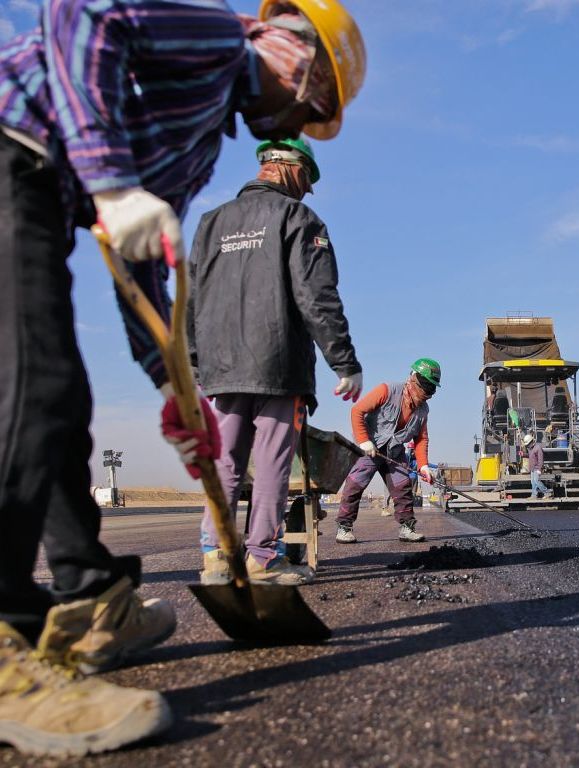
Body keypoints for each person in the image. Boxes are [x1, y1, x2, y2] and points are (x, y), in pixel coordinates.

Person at [0, 0, 365, 756]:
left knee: (61, 402)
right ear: (295, 57)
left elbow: (139, 253)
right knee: (34, 390)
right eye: (313, 102)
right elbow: (76, 14)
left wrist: (172, 382)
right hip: (12, 153)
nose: (295, 118)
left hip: (43, 189)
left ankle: (89, 598)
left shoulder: (202, 145)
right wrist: (107, 181)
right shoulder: (215, 38)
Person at [188, 137, 361, 586]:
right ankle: (262, 558)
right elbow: (316, 296)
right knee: (271, 464)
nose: (306, 190)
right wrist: (344, 362)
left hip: (220, 369)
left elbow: (191, 299)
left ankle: (216, 557)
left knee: (224, 460)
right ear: (292, 168)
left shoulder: (210, 223)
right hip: (277, 364)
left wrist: (194, 362)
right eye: (307, 180)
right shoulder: (297, 218)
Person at [335, 360, 441, 544]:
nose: (427, 394)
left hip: (394, 452)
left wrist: (423, 466)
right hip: (370, 447)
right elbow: (357, 411)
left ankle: (407, 528)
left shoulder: (423, 410)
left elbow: (421, 439)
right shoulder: (387, 390)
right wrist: (363, 441)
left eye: (431, 390)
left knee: (403, 487)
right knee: (355, 485)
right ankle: (344, 528)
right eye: (425, 388)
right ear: (413, 379)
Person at [523, 433, 551, 499]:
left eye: (528, 444)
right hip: (532, 468)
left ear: (531, 442)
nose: (527, 446)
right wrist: (523, 455)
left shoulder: (538, 447)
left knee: (537, 481)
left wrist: (539, 469)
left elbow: (541, 459)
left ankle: (547, 492)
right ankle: (534, 495)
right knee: (533, 482)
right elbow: (529, 456)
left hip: (536, 468)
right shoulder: (530, 449)